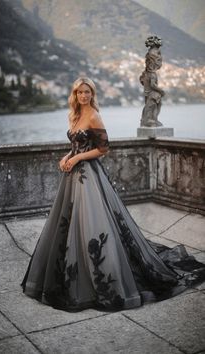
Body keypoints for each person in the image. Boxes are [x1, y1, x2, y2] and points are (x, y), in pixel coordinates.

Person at [21, 77, 205, 312]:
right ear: (75, 95)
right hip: (73, 177)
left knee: (94, 224)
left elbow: (103, 149)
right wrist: (68, 156)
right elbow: (78, 144)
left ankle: (99, 279)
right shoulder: (75, 115)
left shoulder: (95, 116)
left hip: (89, 176)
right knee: (70, 223)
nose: (84, 96)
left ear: (92, 94)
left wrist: (77, 158)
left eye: (87, 92)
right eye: (80, 92)